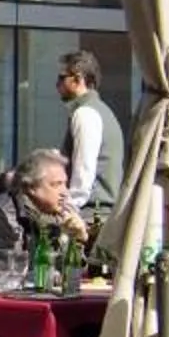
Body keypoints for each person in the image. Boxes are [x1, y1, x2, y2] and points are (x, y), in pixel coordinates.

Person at [0, 149, 83, 272]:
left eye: (65, 184)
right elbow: (1, 265)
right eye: (56, 185)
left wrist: (77, 241)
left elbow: (76, 273)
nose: (64, 192)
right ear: (31, 187)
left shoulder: (60, 217)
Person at [57, 50, 125, 219]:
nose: (56, 84)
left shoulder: (85, 113)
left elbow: (84, 169)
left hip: (91, 214)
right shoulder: (102, 111)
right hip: (102, 212)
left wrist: (69, 211)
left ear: (78, 79)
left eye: (61, 77)